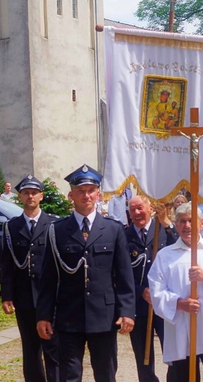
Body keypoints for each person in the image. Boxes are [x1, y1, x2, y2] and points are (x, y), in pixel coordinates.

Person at [36, 164, 135, 382]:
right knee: (69, 375)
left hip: (104, 316)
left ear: (98, 194)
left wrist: (127, 311)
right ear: (71, 195)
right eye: (80, 191)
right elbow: (48, 278)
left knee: (106, 374)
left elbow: (124, 276)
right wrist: (43, 315)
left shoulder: (113, 229)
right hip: (68, 315)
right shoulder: (57, 230)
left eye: (90, 190)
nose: (86, 195)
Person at [148, 203, 203, 382]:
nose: (187, 226)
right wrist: (179, 303)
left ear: (202, 223)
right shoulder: (165, 256)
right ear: (176, 224)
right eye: (182, 221)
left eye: (191, 221)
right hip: (181, 329)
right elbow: (156, 291)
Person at [1, 175, 59, 382]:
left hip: (50, 298)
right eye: (26, 193)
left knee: (53, 349)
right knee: (30, 350)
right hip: (24, 297)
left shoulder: (54, 224)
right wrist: (6, 295)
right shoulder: (11, 227)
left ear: (41, 196)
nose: (30, 196)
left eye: (34, 192)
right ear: (19, 197)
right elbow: (7, 264)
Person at [125, 195, 179, 382]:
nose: (137, 213)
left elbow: (180, 254)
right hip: (140, 305)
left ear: (150, 209)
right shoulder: (124, 236)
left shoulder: (164, 231)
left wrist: (166, 224)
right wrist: (141, 291)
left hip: (165, 303)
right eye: (132, 209)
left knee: (174, 354)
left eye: (140, 208)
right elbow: (119, 273)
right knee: (143, 357)